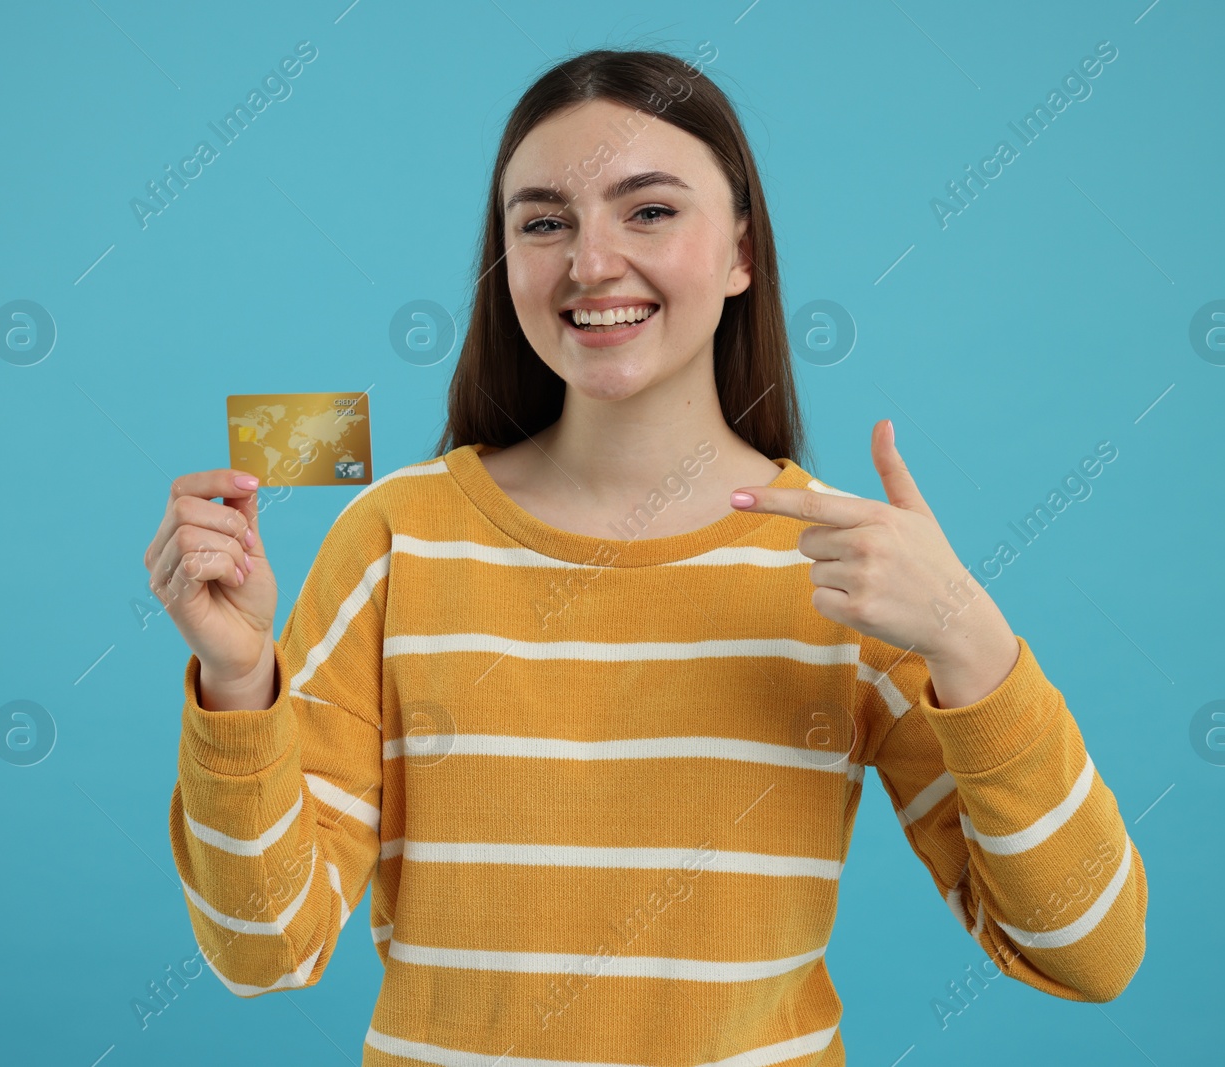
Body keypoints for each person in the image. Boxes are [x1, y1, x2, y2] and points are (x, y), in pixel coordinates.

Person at [145, 47, 1146, 1063]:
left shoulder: (846, 562)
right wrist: (237, 680)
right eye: (544, 222)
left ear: (742, 251)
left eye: (650, 210)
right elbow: (264, 950)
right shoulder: (396, 536)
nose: (589, 262)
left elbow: (1088, 951)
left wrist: (969, 635)